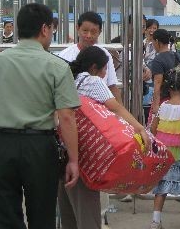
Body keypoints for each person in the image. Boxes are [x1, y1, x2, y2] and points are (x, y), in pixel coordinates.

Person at [0, 3, 80, 229]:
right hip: (40, 147)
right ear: (44, 29)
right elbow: (67, 117)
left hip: (2, 144)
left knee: (5, 217)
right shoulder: (57, 66)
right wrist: (73, 159)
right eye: (51, 28)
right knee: (42, 216)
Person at [58, 45, 150, 229]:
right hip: (86, 152)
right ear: (94, 68)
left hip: (63, 148)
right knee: (88, 212)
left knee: (68, 211)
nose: (106, 73)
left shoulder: (68, 78)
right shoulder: (92, 81)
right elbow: (115, 107)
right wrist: (140, 128)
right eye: (105, 68)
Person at [148, 68, 180, 229]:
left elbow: (153, 128)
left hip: (165, 155)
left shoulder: (163, 106)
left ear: (169, 88)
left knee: (162, 187)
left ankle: (155, 220)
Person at [58, 11, 122, 105]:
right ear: (77, 28)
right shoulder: (64, 56)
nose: (88, 35)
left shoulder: (105, 55)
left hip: (100, 113)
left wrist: (121, 117)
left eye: (93, 32)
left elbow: (112, 86)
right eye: (85, 31)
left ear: (100, 32)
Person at [149, 29, 179, 118]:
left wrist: (156, 105)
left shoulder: (158, 60)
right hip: (177, 98)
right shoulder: (175, 55)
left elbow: (157, 83)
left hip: (164, 99)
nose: (153, 44)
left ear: (157, 41)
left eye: (153, 41)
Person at [143, 18, 159, 122]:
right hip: (142, 74)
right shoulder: (141, 42)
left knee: (150, 104)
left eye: (155, 28)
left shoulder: (158, 43)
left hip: (153, 75)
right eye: (149, 27)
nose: (152, 30)